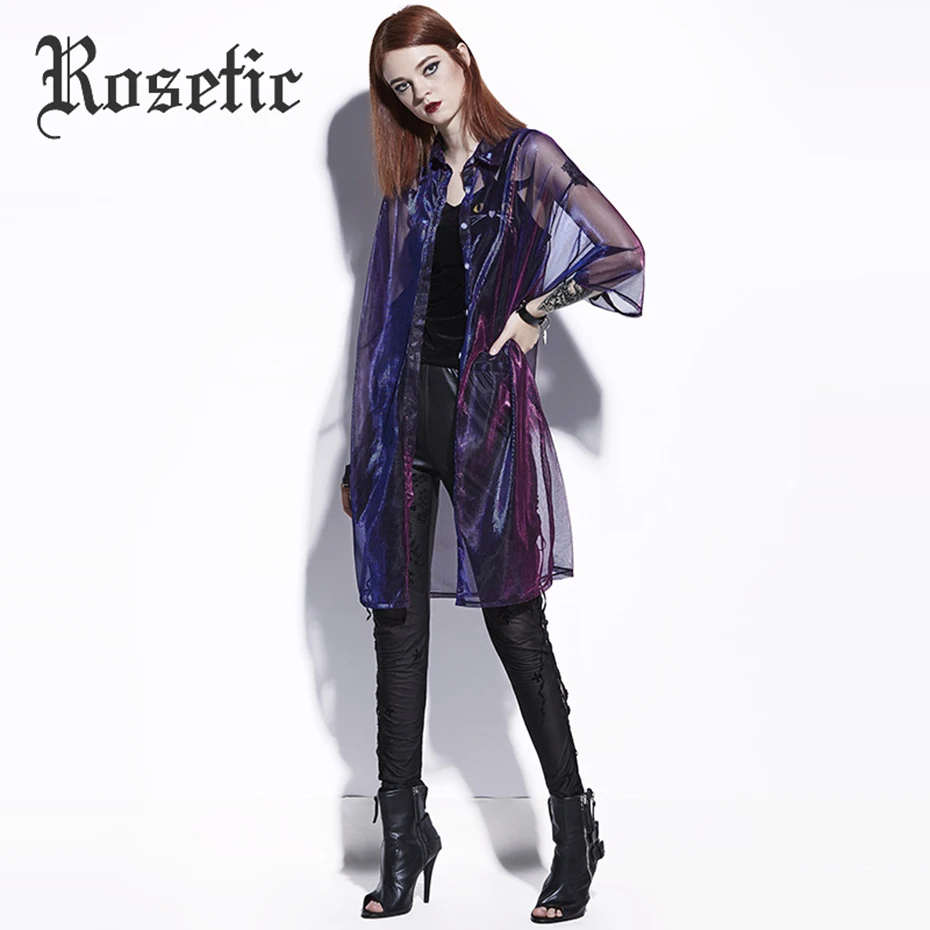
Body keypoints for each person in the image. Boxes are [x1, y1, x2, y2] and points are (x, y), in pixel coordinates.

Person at [340, 4, 645, 922]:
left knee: (517, 624)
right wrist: (363, 447)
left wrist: (539, 306)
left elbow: (622, 249)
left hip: (488, 423)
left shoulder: (528, 159)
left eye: (429, 70)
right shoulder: (410, 184)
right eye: (402, 87)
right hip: (401, 422)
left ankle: (574, 831)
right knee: (396, 626)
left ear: (462, 58)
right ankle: (405, 839)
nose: (420, 95)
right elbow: (379, 325)